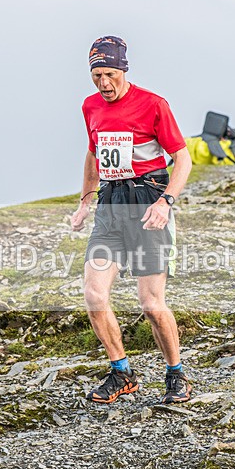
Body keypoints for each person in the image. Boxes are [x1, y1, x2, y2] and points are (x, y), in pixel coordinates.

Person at [70, 35, 193, 405]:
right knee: (94, 295)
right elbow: (94, 155)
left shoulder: (153, 104)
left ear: (123, 69)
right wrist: (85, 201)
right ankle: (121, 372)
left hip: (147, 202)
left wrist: (166, 202)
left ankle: (176, 375)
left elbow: (183, 159)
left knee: (151, 304)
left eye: (109, 74)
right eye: (96, 76)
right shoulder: (90, 106)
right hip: (110, 205)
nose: (103, 84)